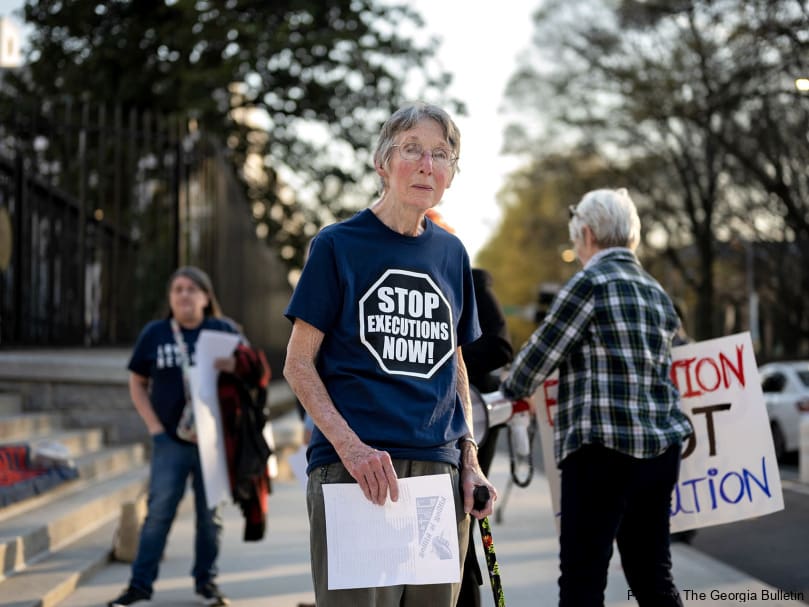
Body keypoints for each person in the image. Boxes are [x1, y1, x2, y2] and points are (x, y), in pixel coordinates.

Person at [283, 101, 497, 607]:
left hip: (438, 477)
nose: (428, 165)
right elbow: (297, 363)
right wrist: (352, 450)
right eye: (413, 150)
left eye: (442, 155)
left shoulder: (452, 254)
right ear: (383, 163)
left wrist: (469, 458)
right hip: (356, 472)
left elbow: (456, 364)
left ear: (450, 174)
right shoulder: (336, 245)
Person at [500, 188, 693, 607]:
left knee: (583, 581)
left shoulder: (589, 283)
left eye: (575, 240)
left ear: (586, 234)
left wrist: (508, 391)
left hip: (601, 456)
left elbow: (537, 360)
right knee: (652, 575)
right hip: (660, 453)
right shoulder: (657, 292)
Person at [109, 266, 242, 607]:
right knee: (158, 515)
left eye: (191, 289)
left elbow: (252, 374)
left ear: (206, 296)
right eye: (177, 289)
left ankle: (207, 585)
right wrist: (154, 427)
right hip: (170, 441)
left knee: (210, 517)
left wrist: (235, 367)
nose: (184, 295)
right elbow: (137, 382)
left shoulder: (223, 330)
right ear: (170, 298)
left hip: (212, 444)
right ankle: (139, 587)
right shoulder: (155, 334)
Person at [425, 208, 515, 607]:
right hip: (429, 417)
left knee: (460, 517)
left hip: (470, 413)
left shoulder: (472, 281)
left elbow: (499, 346)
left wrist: (441, 365)